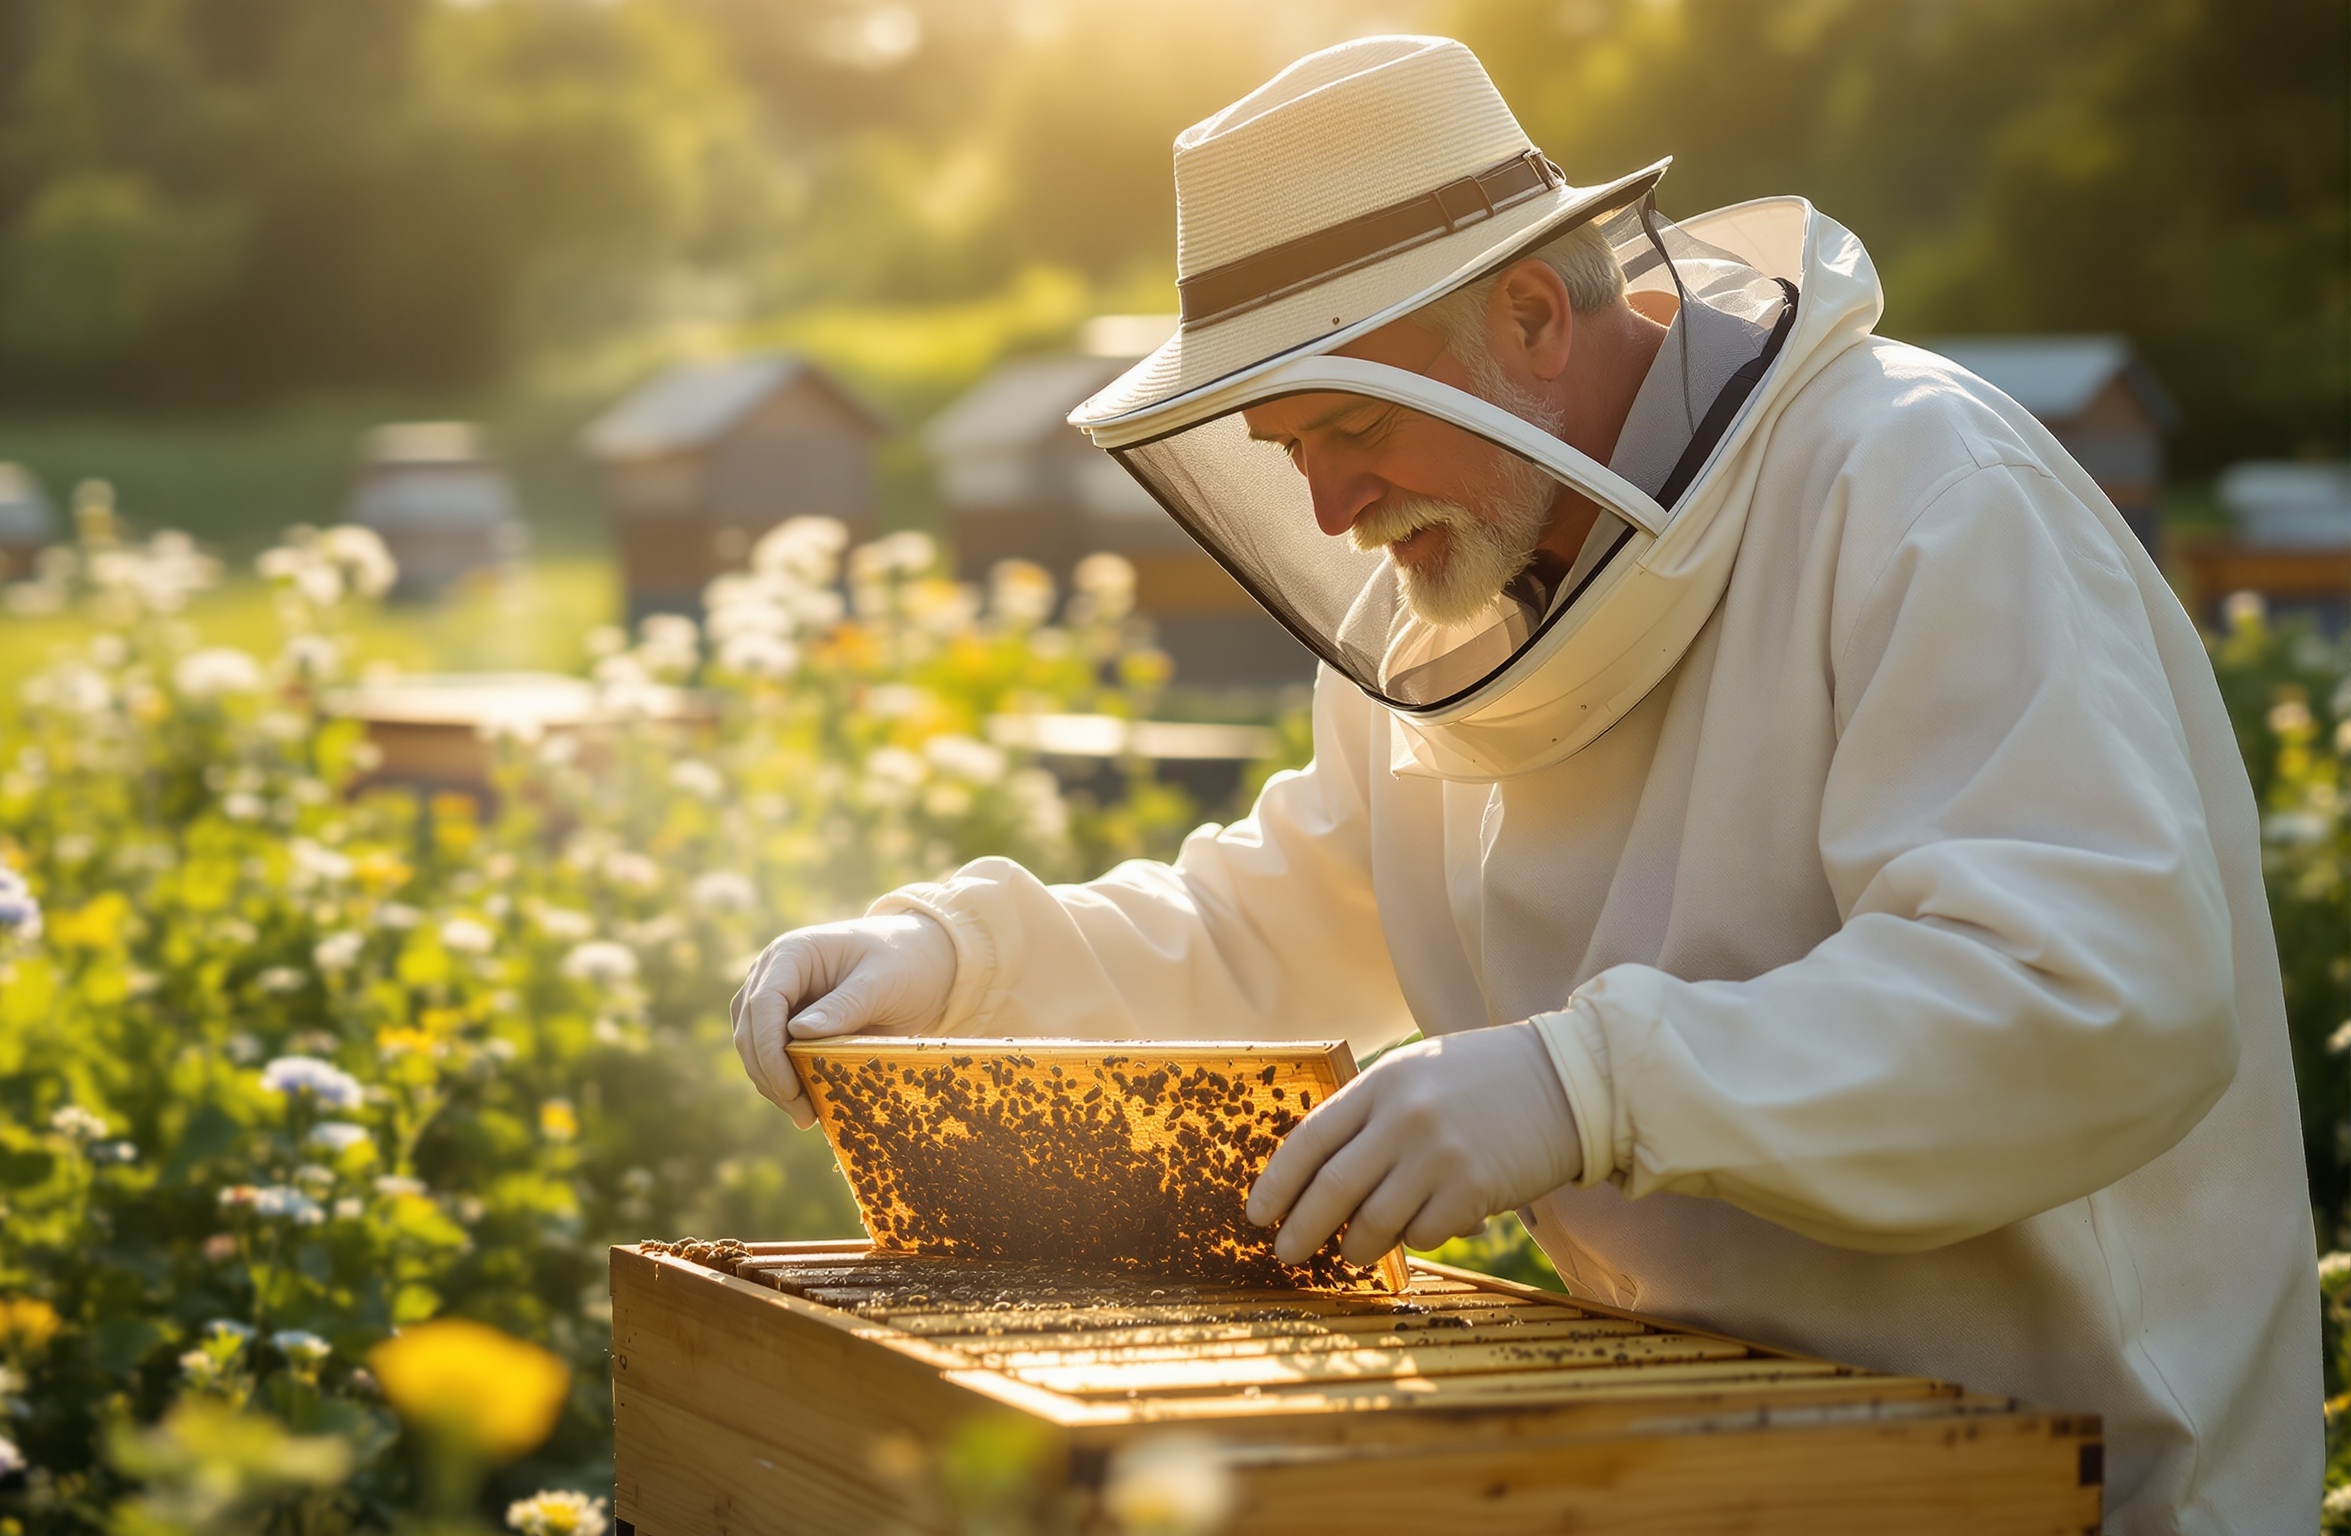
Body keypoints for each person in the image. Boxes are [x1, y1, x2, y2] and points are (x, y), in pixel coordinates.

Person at [729, 35, 2316, 1533]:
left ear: (1539, 324)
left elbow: (2095, 995)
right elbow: (1277, 919)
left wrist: (1587, 1087)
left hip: (2080, 1474)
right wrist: (959, 960)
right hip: (1715, 1461)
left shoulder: (1919, 492)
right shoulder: (1440, 610)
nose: (1334, 503)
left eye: (1354, 425)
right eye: (1292, 450)